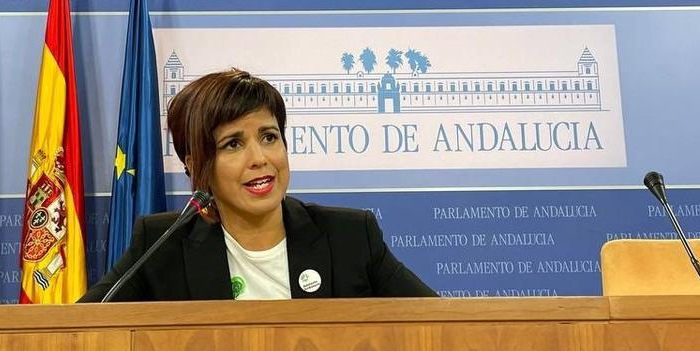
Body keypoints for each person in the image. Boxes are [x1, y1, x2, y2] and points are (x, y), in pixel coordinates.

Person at [81, 68, 436, 302]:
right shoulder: (163, 247)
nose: (259, 158)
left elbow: (443, 325)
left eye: (269, 137)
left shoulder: (350, 238)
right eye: (232, 144)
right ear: (195, 166)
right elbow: (76, 329)